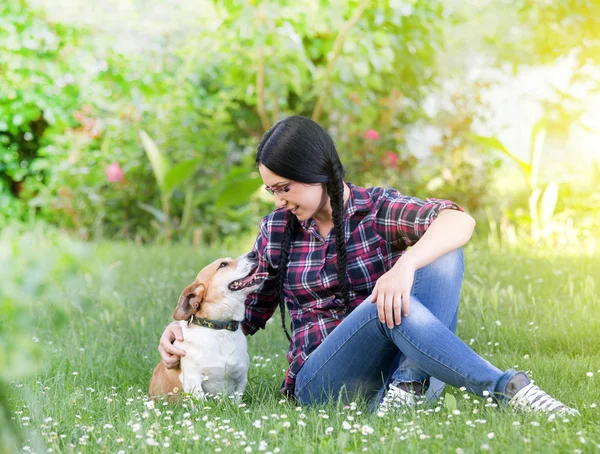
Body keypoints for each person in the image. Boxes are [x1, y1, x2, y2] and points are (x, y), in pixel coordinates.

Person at [159, 115, 578, 415]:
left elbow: (460, 220)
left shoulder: (376, 209)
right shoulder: (278, 231)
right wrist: (181, 333)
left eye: (285, 188)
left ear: (319, 172)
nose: (278, 201)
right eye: (271, 191)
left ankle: (408, 385)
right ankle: (508, 388)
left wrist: (405, 265)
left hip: (398, 377)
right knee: (381, 308)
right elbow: (241, 314)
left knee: (443, 251)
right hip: (324, 383)